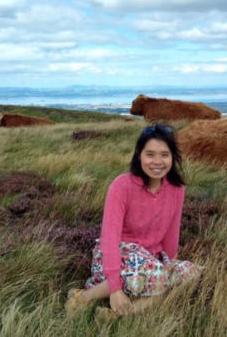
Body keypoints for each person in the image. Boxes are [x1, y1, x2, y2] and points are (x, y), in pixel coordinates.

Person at [65, 123, 202, 322]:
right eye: (150, 154)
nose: (157, 161)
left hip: (150, 259)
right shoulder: (122, 185)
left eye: (164, 154)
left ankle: (115, 316)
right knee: (160, 278)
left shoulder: (177, 189)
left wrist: (170, 261)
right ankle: (84, 296)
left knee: (191, 273)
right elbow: (109, 238)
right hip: (116, 256)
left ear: (173, 157)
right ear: (139, 155)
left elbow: (172, 230)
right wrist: (114, 287)